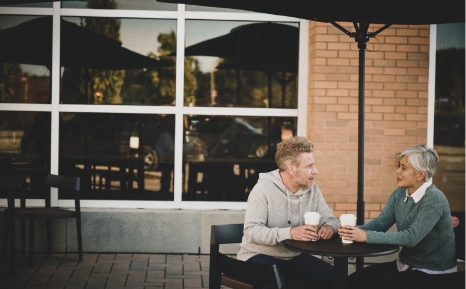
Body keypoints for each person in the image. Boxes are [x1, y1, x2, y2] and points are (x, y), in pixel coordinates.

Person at [339, 144, 458, 289]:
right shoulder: (399, 194)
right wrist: (351, 231)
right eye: (399, 166)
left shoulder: (434, 199)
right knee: (355, 281)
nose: (397, 171)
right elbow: (380, 224)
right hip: (405, 266)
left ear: (421, 175)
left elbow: (411, 237)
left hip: (434, 273)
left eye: (403, 167)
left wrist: (366, 236)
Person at [237, 136, 338, 289]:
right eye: (309, 166)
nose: (315, 171)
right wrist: (289, 233)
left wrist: (330, 227)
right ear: (291, 168)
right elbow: (251, 231)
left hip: (295, 258)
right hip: (259, 256)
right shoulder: (263, 189)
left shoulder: (313, 190)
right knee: (276, 284)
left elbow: (331, 219)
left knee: (337, 278)